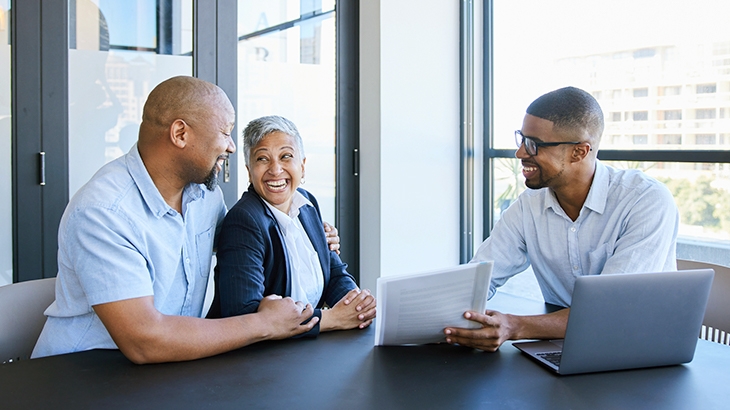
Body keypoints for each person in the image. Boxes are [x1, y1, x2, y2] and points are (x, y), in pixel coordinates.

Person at [32, 76, 339, 364]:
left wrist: (306, 235)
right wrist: (263, 323)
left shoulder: (204, 196)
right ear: (180, 134)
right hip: (84, 371)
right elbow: (144, 341)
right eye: (224, 132)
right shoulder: (104, 211)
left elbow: (246, 241)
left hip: (167, 367)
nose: (231, 146)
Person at [444, 86, 679, 351]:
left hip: (639, 349)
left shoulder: (645, 200)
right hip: (564, 347)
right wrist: (436, 313)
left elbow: (611, 310)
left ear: (579, 152)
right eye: (521, 139)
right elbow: (481, 278)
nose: (520, 153)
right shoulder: (528, 207)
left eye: (534, 144)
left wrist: (514, 326)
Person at [210, 115, 376, 336]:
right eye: (262, 159)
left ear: (303, 166)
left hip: (305, 350)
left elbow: (334, 273)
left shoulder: (308, 204)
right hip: (257, 361)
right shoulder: (244, 221)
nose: (276, 170)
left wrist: (356, 306)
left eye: (286, 156)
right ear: (249, 171)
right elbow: (243, 314)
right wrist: (330, 319)